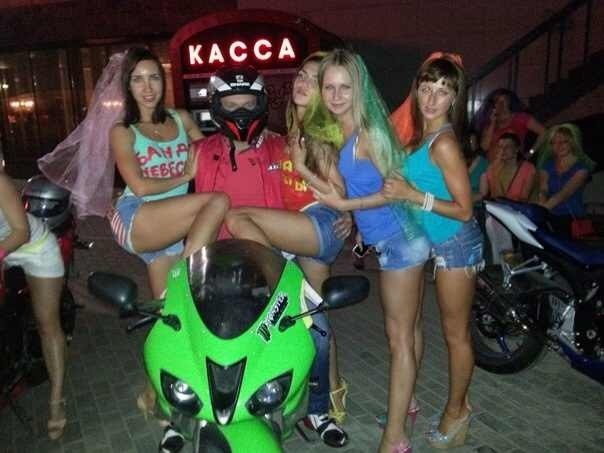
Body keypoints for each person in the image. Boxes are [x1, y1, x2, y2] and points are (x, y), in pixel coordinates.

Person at [193, 64, 349, 447]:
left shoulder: (284, 145)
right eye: (232, 103)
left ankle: (319, 410)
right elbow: (163, 194)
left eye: (248, 103)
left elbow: (321, 187)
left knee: (317, 331)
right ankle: (193, 414)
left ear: (261, 104)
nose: (241, 111)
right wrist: (127, 207)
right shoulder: (199, 152)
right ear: (216, 105)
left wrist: (345, 215)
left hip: (277, 265)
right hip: (217, 269)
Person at [313, 48, 431, 453]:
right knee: (410, 329)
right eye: (329, 87)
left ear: (359, 88)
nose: (336, 95)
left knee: (398, 338)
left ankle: (395, 437)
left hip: (402, 242)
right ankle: (407, 405)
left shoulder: (369, 134)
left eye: (345, 87)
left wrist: (347, 205)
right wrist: (354, 219)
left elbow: (396, 190)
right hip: (392, 241)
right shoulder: (343, 131)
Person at [381, 56, 483, 449]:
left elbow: (465, 209)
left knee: (456, 335)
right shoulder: (423, 137)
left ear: (454, 98)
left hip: (457, 243)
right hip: (434, 245)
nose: (431, 98)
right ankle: (418, 403)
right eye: (426, 88)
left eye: (443, 91)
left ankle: (457, 412)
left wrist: (413, 195)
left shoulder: (444, 144)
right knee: (432, 329)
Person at [0, 171, 67, 440]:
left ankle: (56, 401)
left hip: (34, 248)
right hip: (5, 253)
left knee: (47, 324)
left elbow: (21, 231)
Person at [479, 132, 536, 263]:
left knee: (496, 223)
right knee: (492, 222)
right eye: (500, 147)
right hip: (500, 214)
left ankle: (506, 262)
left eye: (507, 146)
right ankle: (502, 262)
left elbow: (524, 199)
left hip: (520, 213)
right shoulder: (493, 168)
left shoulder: (527, 168)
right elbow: (490, 194)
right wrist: (495, 172)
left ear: (516, 149)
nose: (502, 150)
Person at [535, 123, 595, 236]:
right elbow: (543, 188)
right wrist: (541, 201)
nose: (558, 146)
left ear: (572, 142)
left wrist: (541, 210)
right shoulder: (547, 165)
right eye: (554, 143)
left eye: (564, 142)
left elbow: (564, 194)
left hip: (571, 218)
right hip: (550, 213)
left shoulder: (581, 169)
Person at [475, 88, 545, 162]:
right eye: (497, 101)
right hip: (491, 165)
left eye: (504, 101)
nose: (501, 104)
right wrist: (492, 122)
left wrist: (531, 152)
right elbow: (484, 146)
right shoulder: (489, 122)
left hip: (512, 165)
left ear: (509, 102)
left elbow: (544, 132)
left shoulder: (520, 118)